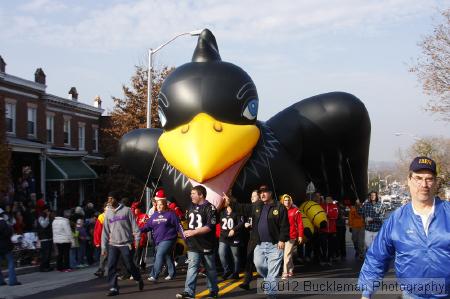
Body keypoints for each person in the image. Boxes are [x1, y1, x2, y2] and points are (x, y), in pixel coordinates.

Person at [358, 156, 450, 299]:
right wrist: (366, 293)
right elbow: (377, 257)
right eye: (418, 178)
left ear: (436, 182)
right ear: (408, 180)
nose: (424, 184)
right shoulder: (397, 219)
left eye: (429, 179)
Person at [226, 185, 289, 299]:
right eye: (261, 193)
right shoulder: (257, 205)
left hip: (275, 245)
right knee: (259, 266)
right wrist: (230, 202)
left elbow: (285, 226)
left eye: (265, 192)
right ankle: (269, 279)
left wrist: (282, 240)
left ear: (270, 193)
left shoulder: (279, 207)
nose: (262, 194)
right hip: (259, 244)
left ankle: (271, 295)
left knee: (273, 272)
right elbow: (243, 208)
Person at [176, 185, 219, 299]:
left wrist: (193, 232)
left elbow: (210, 226)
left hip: (207, 243)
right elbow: (188, 222)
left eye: (193, 193)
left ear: (201, 195)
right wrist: (183, 231)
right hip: (193, 244)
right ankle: (189, 292)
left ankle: (213, 291)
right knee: (192, 267)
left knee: (210, 269)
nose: (191, 196)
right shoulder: (190, 206)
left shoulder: (211, 208)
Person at [101, 191, 144, 296]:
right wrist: (103, 247)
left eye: (111, 198)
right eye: (108, 199)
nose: (109, 201)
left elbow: (135, 227)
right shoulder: (108, 213)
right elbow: (105, 231)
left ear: (117, 199)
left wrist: (137, 240)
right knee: (111, 266)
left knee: (129, 265)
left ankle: (138, 278)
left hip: (126, 243)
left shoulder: (127, 211)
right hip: (113, 244)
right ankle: (113, 288)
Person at [140, 194, 183, 282]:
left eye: (161, 204)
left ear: (165, 205)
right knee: (168, 256)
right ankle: (172, 273)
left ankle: (154, 275)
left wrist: (185, 236)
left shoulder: (171, 214)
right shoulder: (154, 215)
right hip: (158, 240)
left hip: (169, 239)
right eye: (157, 204)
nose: (159, 206)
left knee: (159, 254)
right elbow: (147, 227)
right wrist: (137, 230)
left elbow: (179, 226)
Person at [218, 197, 244, 280]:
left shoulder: (237, 212)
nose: (225, 202)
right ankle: (227, 270)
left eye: (227, 201)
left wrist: (234, 229)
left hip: (234, 237)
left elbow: (241, 223)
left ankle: (236, 272)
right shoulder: (222, 212)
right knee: (221, 253)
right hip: (224, 236)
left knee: (235, 255)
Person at [239, 190, 260, 290]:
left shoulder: (262, 208)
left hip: (263, 238)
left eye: (254, 196)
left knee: (262, 262)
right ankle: (246, 282)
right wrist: (246, 224)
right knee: (249, 259)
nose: (251, 198)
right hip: (252, 237)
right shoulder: (250, 209)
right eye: (251, 196)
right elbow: (246, 220)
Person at [281, 194, 303, 279]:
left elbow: (300, 223)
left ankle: (285, 272)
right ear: (283, 201)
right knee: (287, 254)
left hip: (292, 235)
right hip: (282, 236)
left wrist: (300, 236)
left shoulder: (296, 210)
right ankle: (290, 269)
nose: (287, 202)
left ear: (291, 201)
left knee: (286, 254)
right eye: (285, 200)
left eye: (288, 200)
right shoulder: (280, 210)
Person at [0, 208, 21, 286]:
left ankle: (1, 281)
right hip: (5, 245)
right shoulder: (3, 223)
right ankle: (12, 281)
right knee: (11, 262)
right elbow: (8, 233)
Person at [320, 196, 338, 266]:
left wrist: (327, 215)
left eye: (329, 199)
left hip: (332, 229)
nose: (327, 200)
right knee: (323, 244)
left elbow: (335, 216)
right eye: (326, 199)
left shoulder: (334, 206)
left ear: (331, 200)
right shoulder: (322, 206)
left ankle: (329, 258)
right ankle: (324, 258)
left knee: (331, 245)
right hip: (323, 229)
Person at [37, 205, 53, 272]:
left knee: (48, 253)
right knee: (45, 254)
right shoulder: (41, 217)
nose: (48, 211)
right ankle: (42, 267)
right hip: (44, 238)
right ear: (45, 210)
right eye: (47, 210)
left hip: (49, 237)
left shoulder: (47, 216)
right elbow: (44, 225)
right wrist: (47, 216)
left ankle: (47, 266)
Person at [94, 202, 108, 277]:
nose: (108, 208)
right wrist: (97, 241)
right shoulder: (101, 216)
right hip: (105, 239)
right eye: (107, 206)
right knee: (103, 255)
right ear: (104, 208)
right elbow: (97, 230)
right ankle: (101, 269)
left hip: (115, 239)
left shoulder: (115, 214)